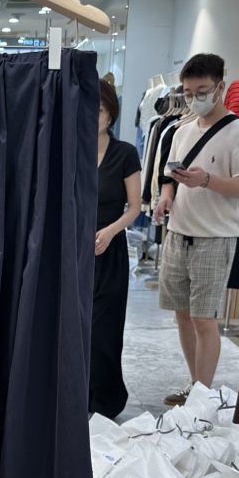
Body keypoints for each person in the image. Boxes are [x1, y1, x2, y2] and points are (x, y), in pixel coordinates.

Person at [155, 53, 239, 406]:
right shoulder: (182, 131)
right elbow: (169, 177)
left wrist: (207, 180)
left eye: (201, 92)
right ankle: (195, 386)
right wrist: (166, 196)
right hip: (178, 233)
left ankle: (202, 397)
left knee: (204, 319)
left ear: (220, 87)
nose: (194, 99)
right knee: (183, 316)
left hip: (215, 237)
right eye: (188, 93)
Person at [91, 79, 142, 418]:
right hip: (74, 253)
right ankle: (76, 394)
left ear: (111, 113)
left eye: (98, 110)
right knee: (76, 328)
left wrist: (110, 232)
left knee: (105, 330)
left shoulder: (125, 153)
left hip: (109, 252)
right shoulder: (71, 149)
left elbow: (135, 208)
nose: (91, 116)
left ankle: (106, 400)